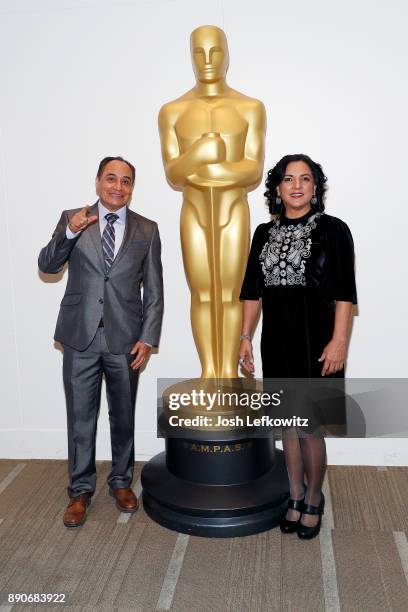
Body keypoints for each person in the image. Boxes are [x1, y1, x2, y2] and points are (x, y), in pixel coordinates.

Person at [38, 156, 164, 528]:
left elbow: (154, 291)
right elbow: (47, 265)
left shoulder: (148, 228)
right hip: (80, 335)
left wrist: (149, 337)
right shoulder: (72, 218)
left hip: (126, 339)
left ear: (131, 188)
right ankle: (79, 491)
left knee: (122, 415)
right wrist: (70, 233)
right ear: (97, 182)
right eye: (111, 179)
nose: (118, 187)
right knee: (80, 416)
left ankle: (122, 481)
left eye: (126, 181)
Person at [239, 154, 357, 539]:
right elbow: (252, 292)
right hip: (277, 341)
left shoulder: (334, 230)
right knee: (286, 426)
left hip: (317, 342)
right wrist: (245, 337)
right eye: (288, 179)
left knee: (308, 427)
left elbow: (344, 293)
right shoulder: (262, 233)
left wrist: (339, 341)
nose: (296, 185)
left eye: (305, 179)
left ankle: (314, 498)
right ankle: (294, 495)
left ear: (315, 188)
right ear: (277, 188)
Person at [159, 25, 265, 377]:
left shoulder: (249, 107)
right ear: (190, 56)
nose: (206, 60)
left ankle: (230, 374)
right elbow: (174, 174)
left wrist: (202, 170)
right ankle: (209, 371)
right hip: (194, 211)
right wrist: (203, 153)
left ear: (227, 54)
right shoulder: (172, 111)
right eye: (198, 52)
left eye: (215, 51)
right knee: (202, 293)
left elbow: (252, 170)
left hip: (233, 210)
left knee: (231, 295)